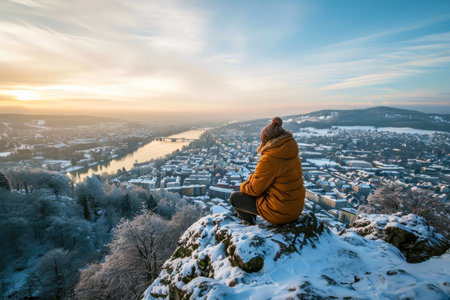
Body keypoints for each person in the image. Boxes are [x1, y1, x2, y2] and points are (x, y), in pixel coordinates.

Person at [229, 117, 305, 225]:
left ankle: (249, 224)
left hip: (280, 212)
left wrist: (244, 185)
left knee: (236, 197)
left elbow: (254, 189)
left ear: (267, 140)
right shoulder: (291, 152)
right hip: (295, 208)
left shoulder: (269, 158)